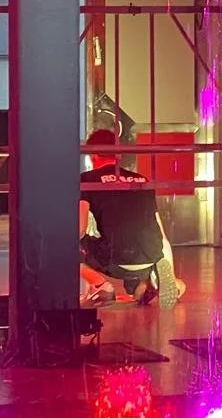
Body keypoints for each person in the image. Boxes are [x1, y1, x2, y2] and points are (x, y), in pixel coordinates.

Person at [79, 128, 185, 309]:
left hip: (116, 259)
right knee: (135, 290)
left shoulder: (87, 180)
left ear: (92, 154)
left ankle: (101, 286)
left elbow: (79, 229)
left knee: (64, 244)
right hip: (150, 255)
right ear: (119, 155)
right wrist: (171, 271)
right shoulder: (141, 180)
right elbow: (161, 235)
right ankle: (158, 283)